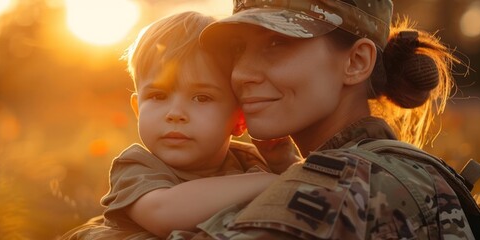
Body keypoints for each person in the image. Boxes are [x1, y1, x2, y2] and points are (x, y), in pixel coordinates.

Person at [167, 0, 478, 239]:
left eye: (277, 43)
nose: (241, 73)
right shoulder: (399, 167)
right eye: (237, 49)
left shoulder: (333, 190)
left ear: (356, 62)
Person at [61, 11, 301, 240]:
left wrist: (283, 164)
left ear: (239, 120)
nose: (175, 114)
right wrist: (269, 182)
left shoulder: (249, 159)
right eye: (158, 96)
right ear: (137, 109)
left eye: (202, 98)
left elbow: (300, 190)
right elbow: (164, 214)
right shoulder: (137, 167)